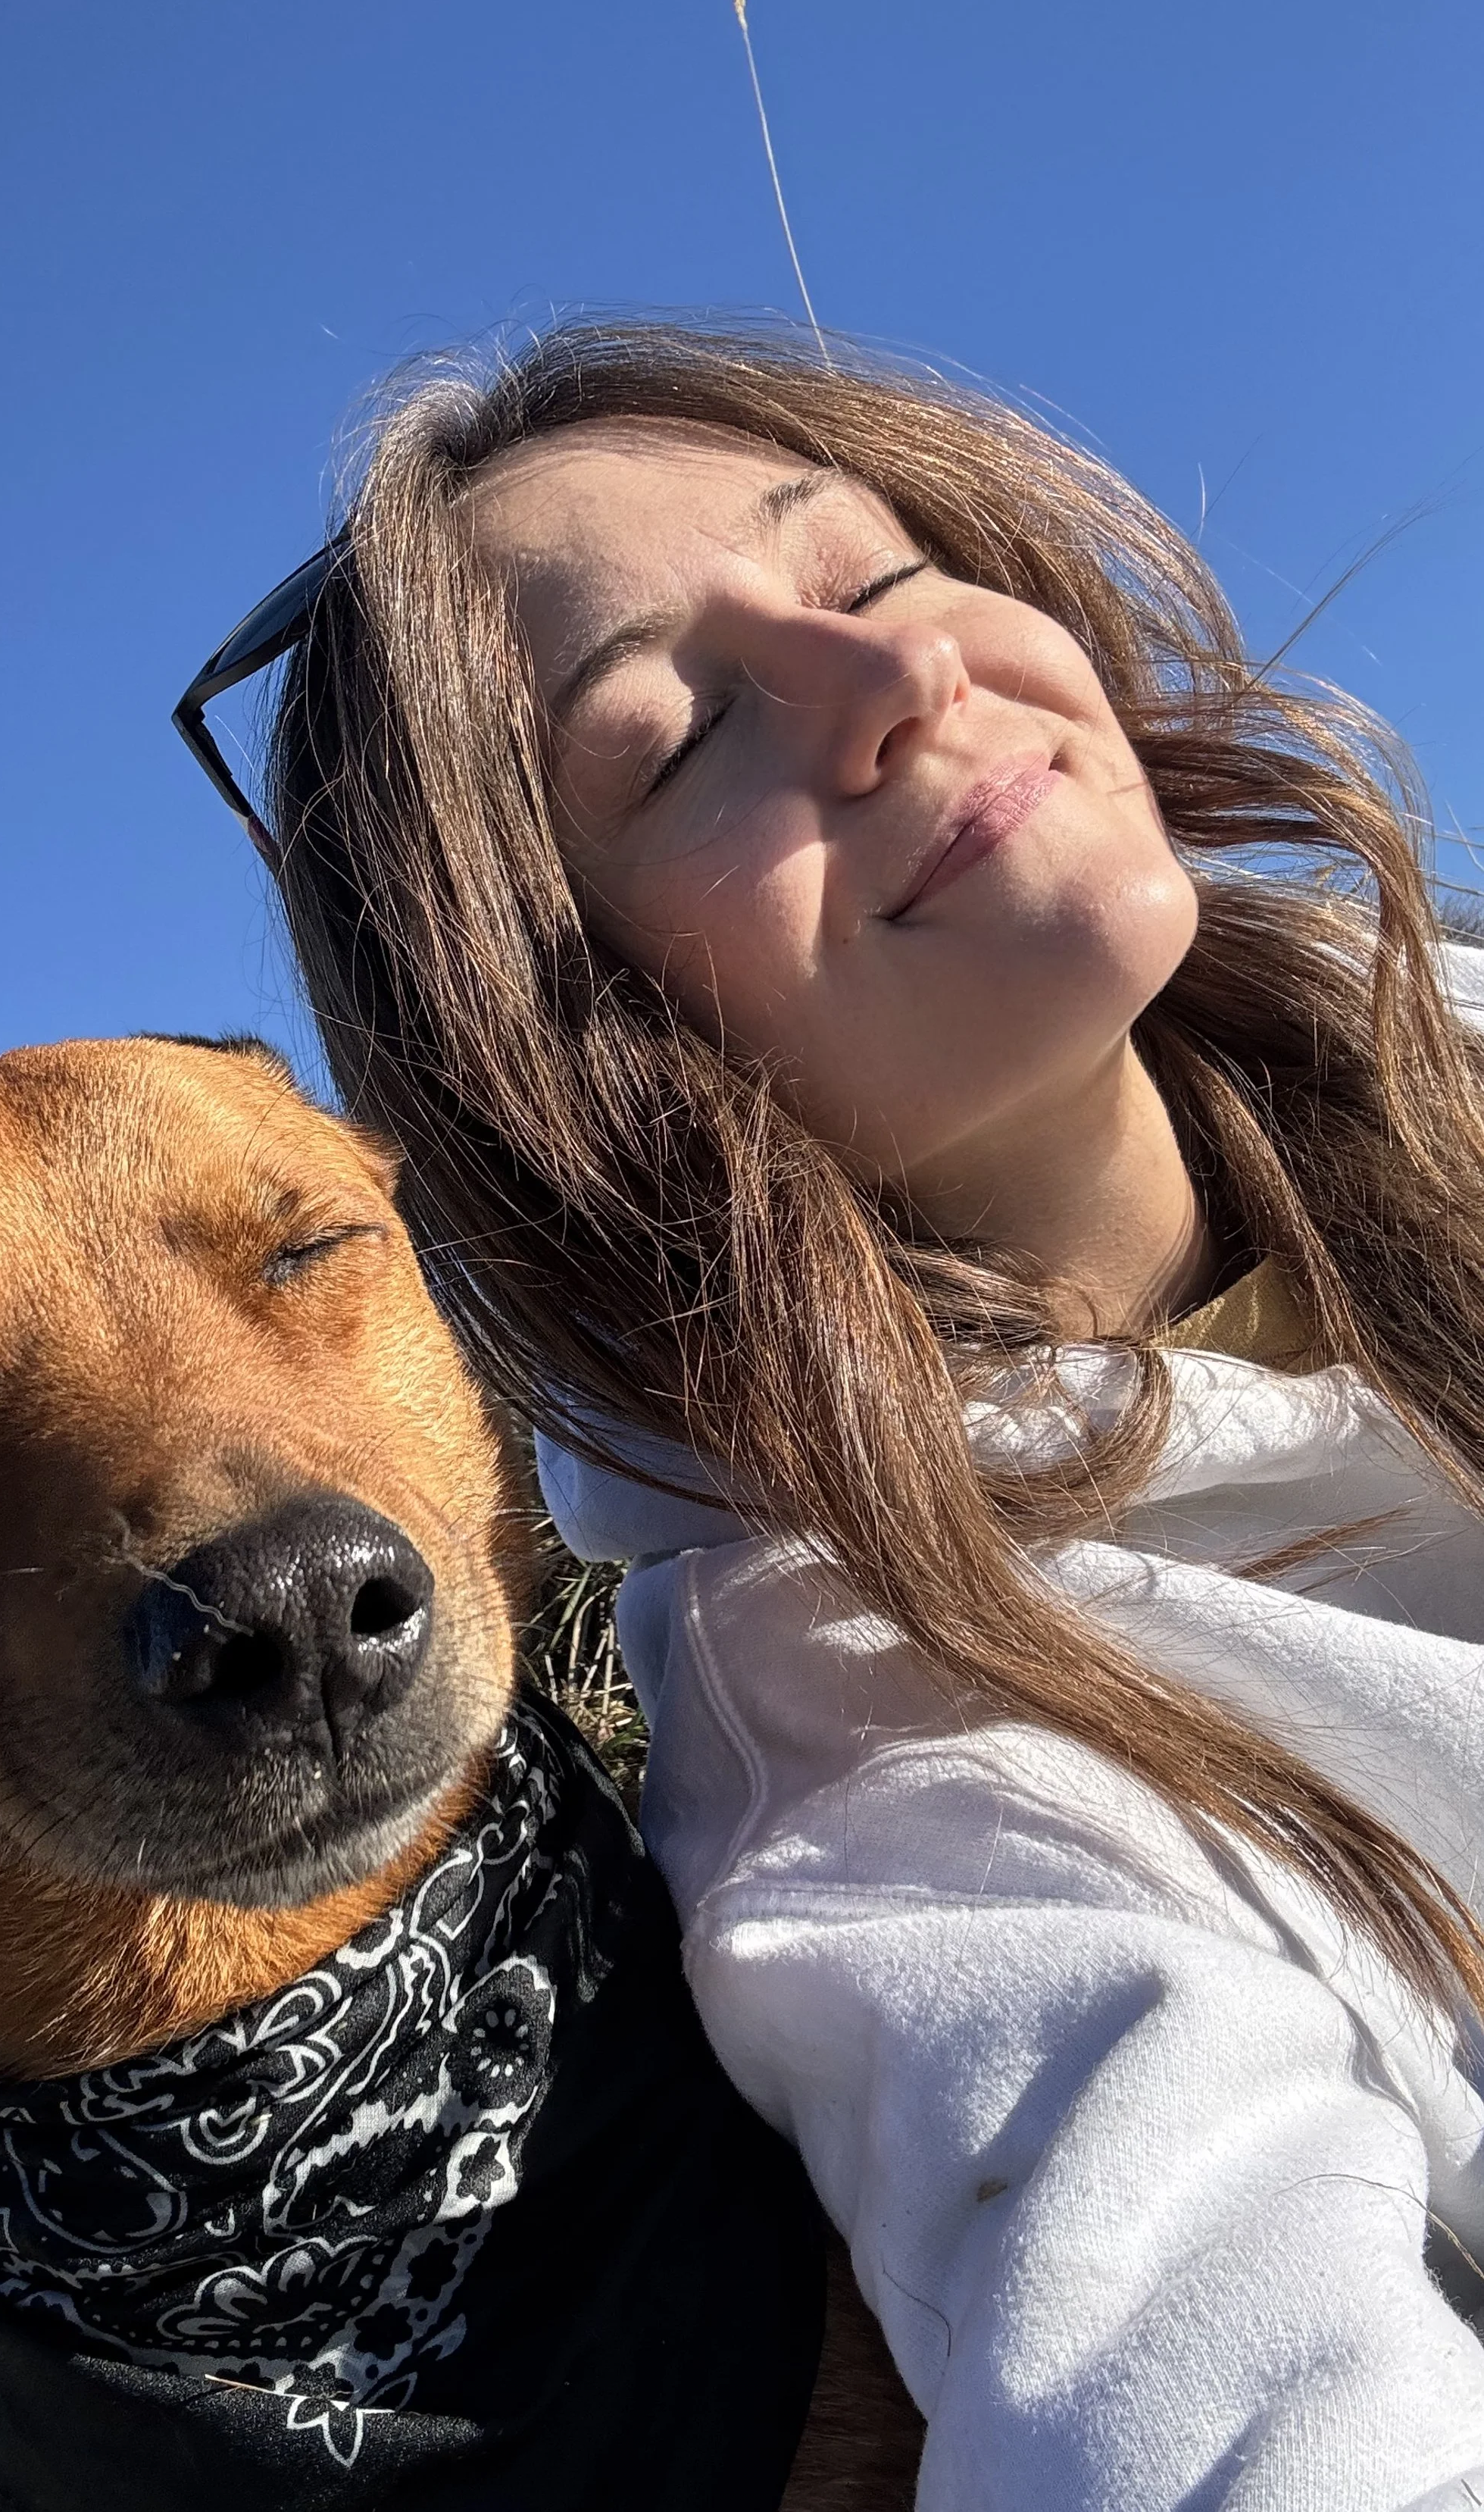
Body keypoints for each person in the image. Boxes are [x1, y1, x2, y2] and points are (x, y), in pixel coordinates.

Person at [179, 321, 1484, 2507]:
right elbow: (1195, 2354)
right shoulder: (894, 1743)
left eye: (871, 579)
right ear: (561, 1045)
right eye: (681, 738)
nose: (897, 686)